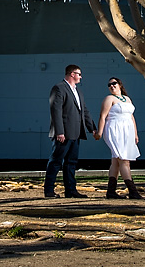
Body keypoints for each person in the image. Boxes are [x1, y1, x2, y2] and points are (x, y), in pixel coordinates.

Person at [44, 64, 98, 198]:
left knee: (71, 163)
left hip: (76, 132)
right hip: (63, 133)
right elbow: (56, 111)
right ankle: (49, 191)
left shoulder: (78, 91)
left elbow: (84, 111)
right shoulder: (59, 88)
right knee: (56, 161)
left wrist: (93, 128)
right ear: (72, 74)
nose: (81, 77)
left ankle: (71, 190)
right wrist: (59, 132)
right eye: (79, 74)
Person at [95, 76, 142, 199]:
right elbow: (103, 116)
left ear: (120, 84)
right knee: (123, 160)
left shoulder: (127, 99)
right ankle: (133, 191)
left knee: (116, 161)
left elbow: (132, 117)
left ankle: (110, 191)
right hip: (115, 130)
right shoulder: (109, 99)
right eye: (109, 84)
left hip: (127, 132)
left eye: (114, 83)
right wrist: (99, 132)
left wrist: (135, 134)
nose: (112, 86)